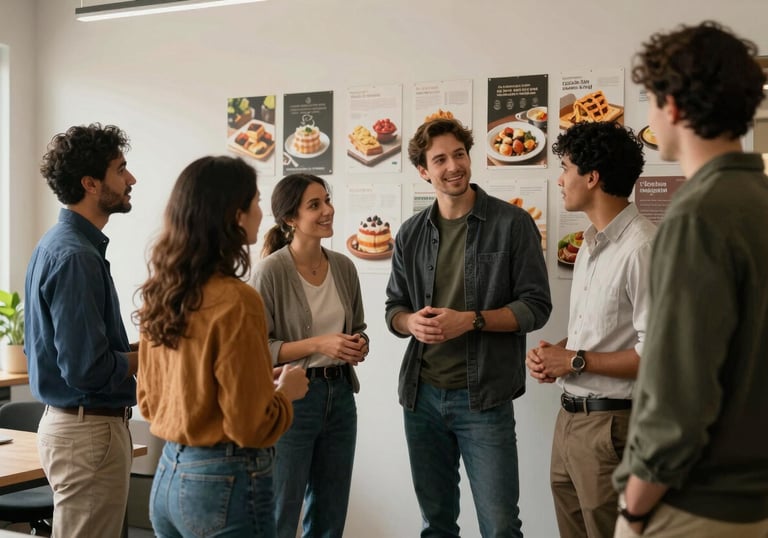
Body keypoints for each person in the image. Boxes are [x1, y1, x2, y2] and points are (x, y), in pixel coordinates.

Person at [612, 21, 768, 538]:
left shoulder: (697, 214)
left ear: (673, 106)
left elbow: (679, 394)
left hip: (694, 506)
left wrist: (633, 509)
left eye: (653, 101)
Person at [385, 118, 552, 537]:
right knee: (436, 525)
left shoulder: (513, 224)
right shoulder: (409, 233)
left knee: (499, 527)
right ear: (424, 171)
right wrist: (410, 323)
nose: (453, 166)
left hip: (485, 400)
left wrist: (472, 321)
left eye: (459, 154)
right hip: (421, 399)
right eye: (439, 159)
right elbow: (394, 309)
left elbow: (536, 307)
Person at [135, 156, 308, 537]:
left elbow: (148, 402)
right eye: (256, 202)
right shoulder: (237, 300)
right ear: (235, 215)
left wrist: (260, 381)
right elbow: (250, 426)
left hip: (167, 476)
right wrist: (285, 395)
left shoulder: (161, 294)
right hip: (225, 481)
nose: (262, 212)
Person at [525, 121, 655, 538]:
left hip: (613, 429)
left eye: (565, 167)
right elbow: (597, 331)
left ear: (592, 177)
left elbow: (656, 356)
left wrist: (574, 360)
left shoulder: (643, 248)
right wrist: (558, 354)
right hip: (570, 422)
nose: (560, 180)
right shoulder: (590, 243)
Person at [24, 123, 137, 537]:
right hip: (88, 432)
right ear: (91, 183)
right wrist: (155, 357)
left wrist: (144, 348)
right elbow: (88, 369)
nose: (131, 179)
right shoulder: (76, 257)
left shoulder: (59, 245)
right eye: (121, 169)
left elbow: (82, 351)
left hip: (80, 429)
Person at [250, 173, 368, 538]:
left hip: (341, 397)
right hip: (293, 401)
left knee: (331, 513)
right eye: (314, 205)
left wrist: (358, 344)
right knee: (282, 511)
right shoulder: (270, 271)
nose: (327, 210)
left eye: (327, 201)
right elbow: (257, 351)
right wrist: (319, 344)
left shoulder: (344, 266)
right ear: (290, 218)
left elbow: (358, 326)